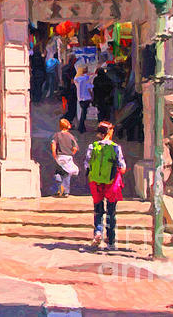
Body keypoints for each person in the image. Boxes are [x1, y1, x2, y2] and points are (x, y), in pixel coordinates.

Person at [84, 121, 126, 251]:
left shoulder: (92, 146)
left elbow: (87, 164)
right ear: (109, 132)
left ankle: (98, 232)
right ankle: (111, 240)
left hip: (96, 183)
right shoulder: (115, 147)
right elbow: (122, 167)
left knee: (98, 210)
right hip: (111, 183)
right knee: (111, 211)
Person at [51, 118, 79, 197]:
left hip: (59, 156)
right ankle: (66, 191)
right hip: (68, 157)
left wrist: (54, 155)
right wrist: (71, 154)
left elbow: (53, 145)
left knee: (58, 173)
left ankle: (60, 190)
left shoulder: (57, 135)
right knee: (67, 174)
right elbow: (75, 148)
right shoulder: (71, 136)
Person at [75, 64, 94, 133]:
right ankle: (81, 127)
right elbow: (89, 88)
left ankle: (82, 127)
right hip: (86, 98)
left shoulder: (78, 79)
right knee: (84, 113)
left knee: (83, 112)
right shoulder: (87, 79)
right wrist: (92, 97)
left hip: (80, 98)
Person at [60, 56, 78, 124]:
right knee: (72, 107)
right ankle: (66, 120)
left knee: (68, 106)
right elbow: (71, 80)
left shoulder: (65, 67)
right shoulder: (72, 69)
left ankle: (66, 120)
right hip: (70, 90)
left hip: (65, 90)